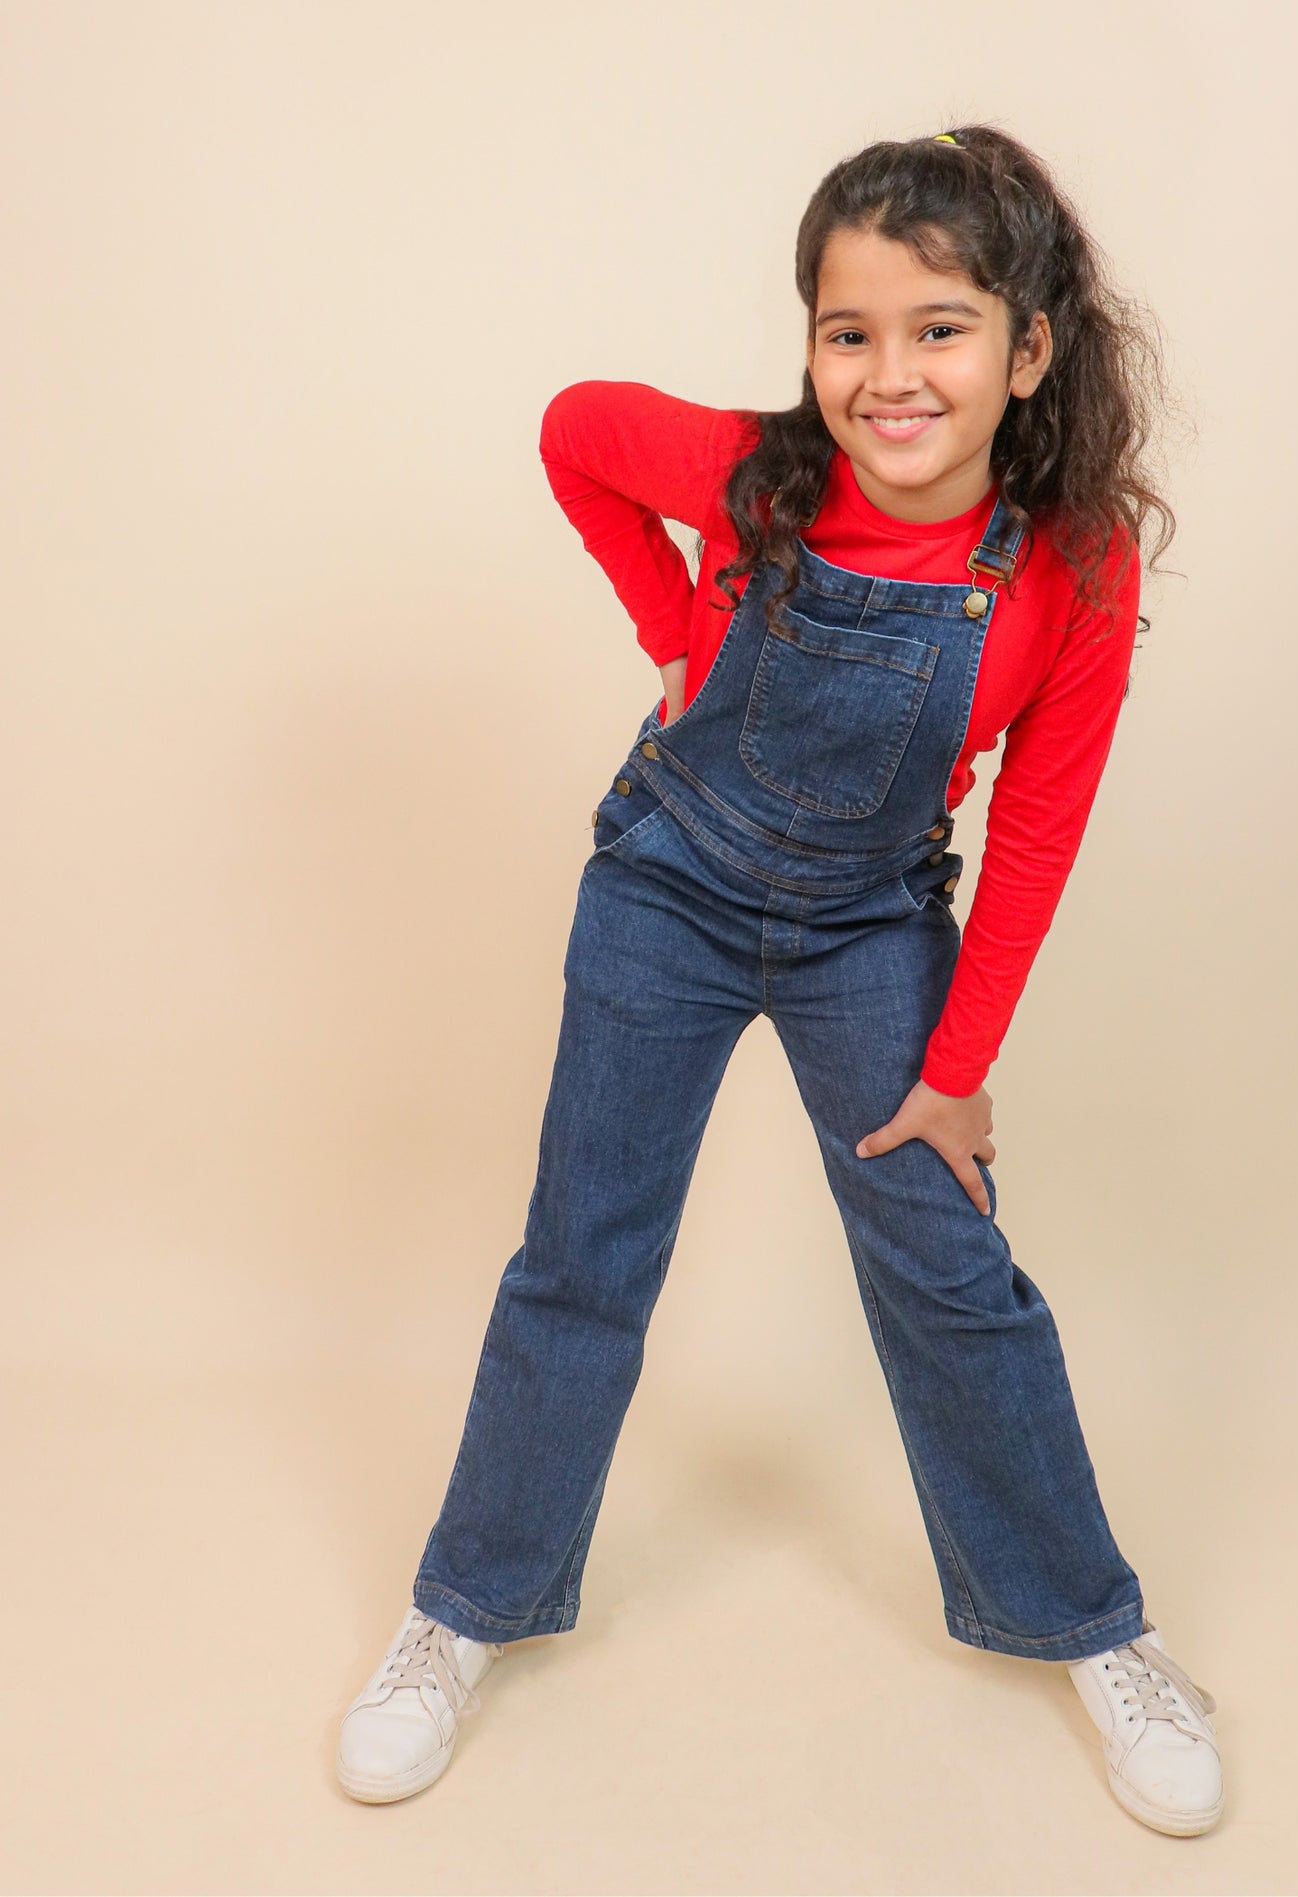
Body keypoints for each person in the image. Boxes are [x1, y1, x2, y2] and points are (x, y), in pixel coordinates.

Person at [335, 123, 1224, 1837]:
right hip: (663, 890)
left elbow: (1036, 833)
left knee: (952, 1276)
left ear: (1027, 348)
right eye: (847, 331)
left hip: (865, 926)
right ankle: (465, 1605)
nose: (890, 375)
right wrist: (675, 631)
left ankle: (1089, 1624)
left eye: (939, 328)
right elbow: (574, 429)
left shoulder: (1071, 564)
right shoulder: (757, 474)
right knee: (581, 1257)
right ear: (808, 340)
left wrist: (953, 1067)